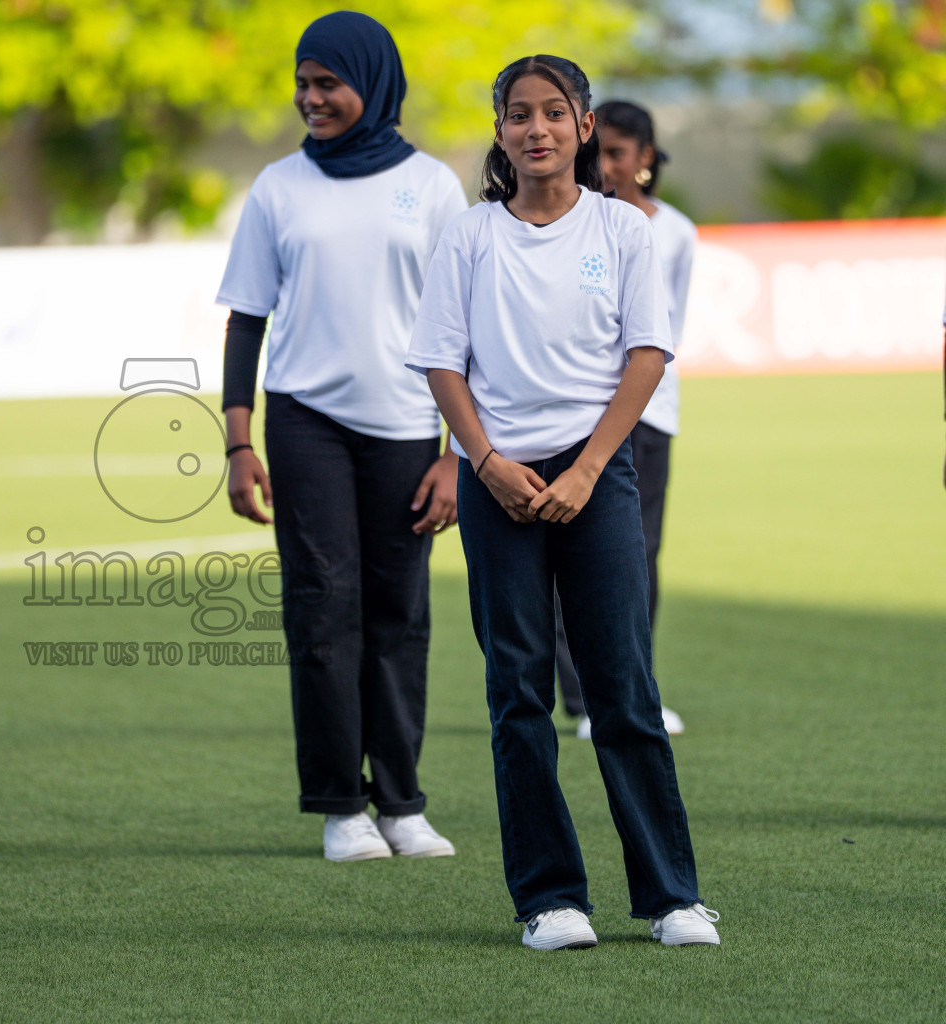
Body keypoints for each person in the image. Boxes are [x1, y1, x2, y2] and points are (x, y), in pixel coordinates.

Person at [407, 55, 720, 949]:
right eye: (518, 114)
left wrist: (586, 470)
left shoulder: (623, 230)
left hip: (598, 476)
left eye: (554, 112)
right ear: (500, 131)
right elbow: (441, 362)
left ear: (585, 126)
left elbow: (648, 355)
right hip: (496, 481)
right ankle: (550, 900)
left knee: (622, 685)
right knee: (517, 693)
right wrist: (486, 462)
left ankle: (671, 897)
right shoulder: (470, 235)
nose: (535, 128)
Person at [217, 11, 468, 863]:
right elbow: (247, 318)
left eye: (328, 83)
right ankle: (340, 806)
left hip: (408, 426)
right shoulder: (278, 187)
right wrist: (239, 443)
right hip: (304, 422)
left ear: (373, 82)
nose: (310, 98)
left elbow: (464, 327)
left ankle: (400, 802)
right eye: (303, 83)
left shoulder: (432, 186)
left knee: (399, 612)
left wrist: (458, 455)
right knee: (323, 607)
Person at [554, 99, 696, 740]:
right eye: (599, 151)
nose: (605, 165)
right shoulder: (571, 222)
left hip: (649, 410)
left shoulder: (676, 233)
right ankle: (586, 698)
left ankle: (634, 687)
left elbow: (667, 331)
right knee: (571, 553)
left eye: (617, 153)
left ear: (645, 159)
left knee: (639, 553)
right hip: (581, 412)